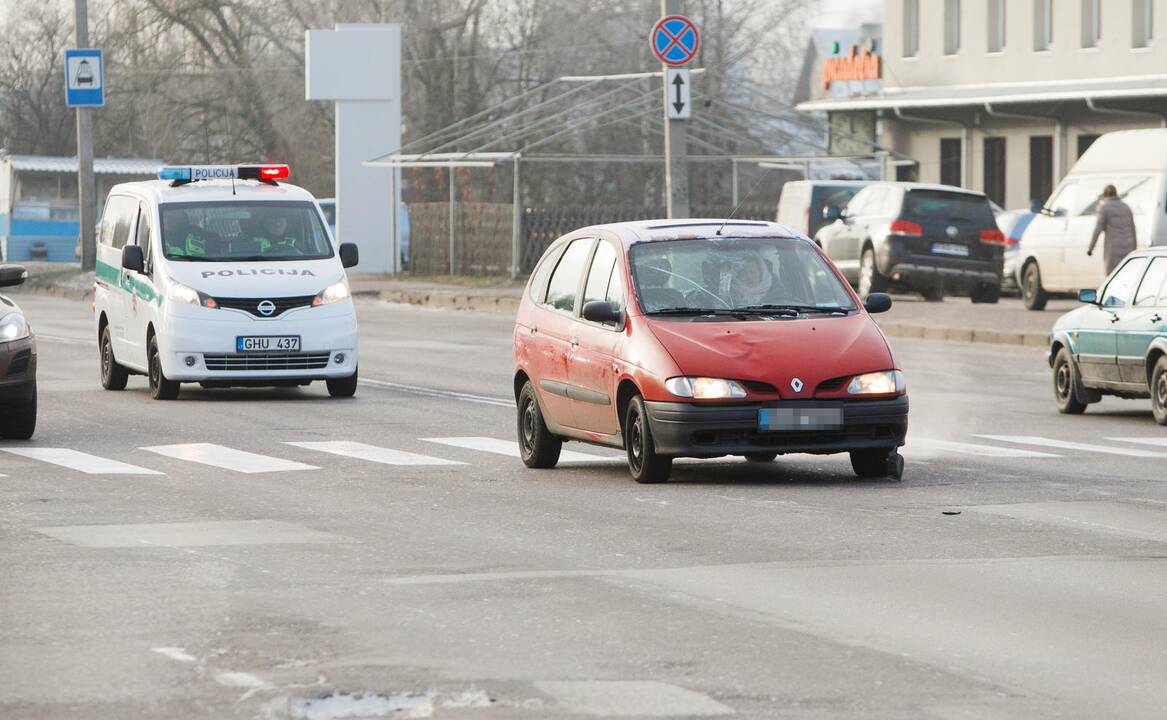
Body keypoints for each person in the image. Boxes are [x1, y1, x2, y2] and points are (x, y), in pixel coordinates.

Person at [1087, 184, 1137, 274]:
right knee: (1127, 274)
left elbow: (1097, 229)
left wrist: (1091, 248)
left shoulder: (1104, 208)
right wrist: (1134, 248)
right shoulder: (1126, 207)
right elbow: (1133, 229)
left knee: (1112, 276)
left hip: (1113, 249)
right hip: (1128, 247)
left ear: (1105, 194)